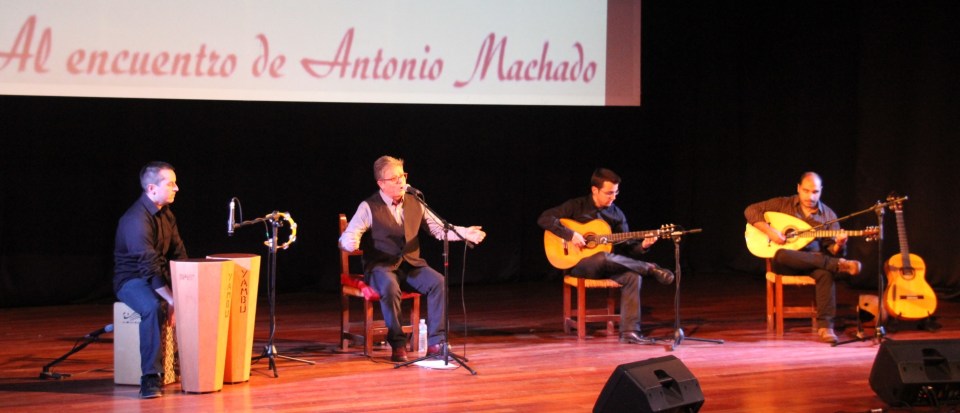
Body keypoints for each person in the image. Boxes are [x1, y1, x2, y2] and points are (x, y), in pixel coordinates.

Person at [339, 156, 486, 362]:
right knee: (390, 286)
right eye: (394, 178)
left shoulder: (415, 201)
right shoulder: (368, 207)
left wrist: (464, 233)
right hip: (381, 267)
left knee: (438, 282)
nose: (401, 181)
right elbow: (349, 237)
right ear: (381, 183)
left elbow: (439, 228)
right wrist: (350, 242)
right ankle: (398, 343)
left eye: (402, 176)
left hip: (411, 266)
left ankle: (436, 343)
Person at [538, 168, 675, 344]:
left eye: (616, 193)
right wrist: (570, 235)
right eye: (609, 193)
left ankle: (629, 332)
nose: (613, 197)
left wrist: (643, 245)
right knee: (602, 256)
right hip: (579, 265)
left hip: (607, 265)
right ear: (595, 190)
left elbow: (628, 248)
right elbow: (544, 219)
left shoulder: (617, 214)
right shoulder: (576, 205)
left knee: (633, 277)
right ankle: (649, 268)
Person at [744, 171, 861, 344]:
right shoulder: (784, 204)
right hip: (787, 262)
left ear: (821, 191)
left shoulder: (828, 215)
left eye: (815, 192)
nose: (810, 196)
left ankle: (826, 326)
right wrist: (770, 232)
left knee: (825, 273)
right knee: (782, 254)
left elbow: (833, 250)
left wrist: (839, 244)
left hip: (814, 262)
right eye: (806, 191)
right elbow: (751, 210)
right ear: (798, 188)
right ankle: (838, 265)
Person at [113, 161, 187, 398]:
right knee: (153, 307)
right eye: (171, 184)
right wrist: (172, 299)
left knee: (193, 299)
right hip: (132, 280)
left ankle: (187, 364)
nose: (176, 188)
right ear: (152, 189)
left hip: (156, 274)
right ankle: (150, 377)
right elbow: (148, 267)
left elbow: (179, 254)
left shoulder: (167, 215)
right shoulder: (135, 220)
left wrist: (186, 287)